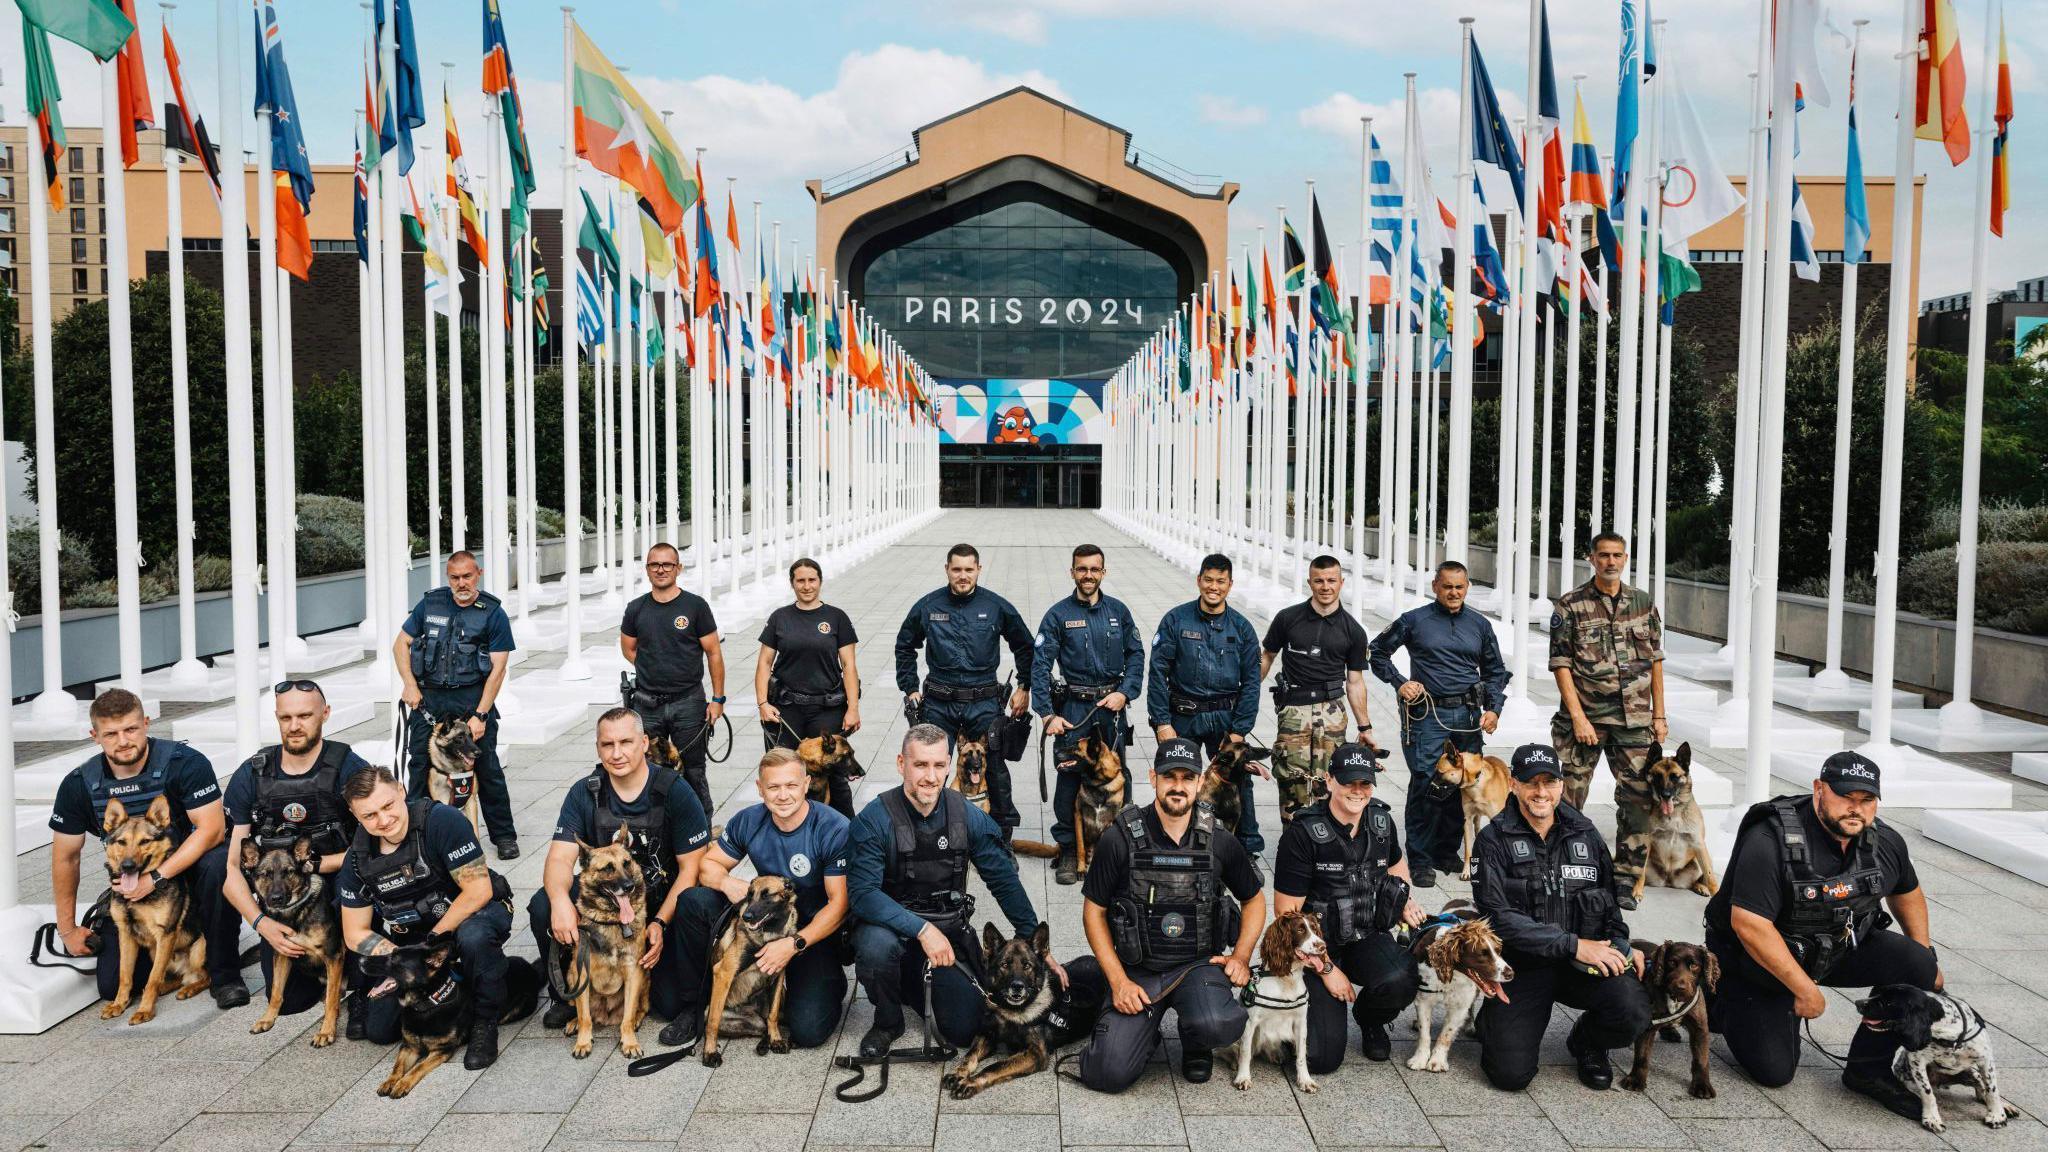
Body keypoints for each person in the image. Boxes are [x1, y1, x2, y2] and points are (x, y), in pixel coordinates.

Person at [1705, 752, 1939, 1119]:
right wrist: (1804, 989)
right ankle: (1718, 994)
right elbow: (1749, 925)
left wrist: (1924, 953)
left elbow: (1906, 891)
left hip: (1835, 948)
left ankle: (1868, 1071)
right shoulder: (1769, 839)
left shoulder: (1884, 841)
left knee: (1918, 965)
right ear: (1818, 790)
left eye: (1866, 800)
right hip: (1758, 959)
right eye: (1845, 797)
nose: (1856, 809)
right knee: (1774, 1071)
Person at [1071, 737, 1264, 1092]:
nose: (1178, 786)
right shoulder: (1120, 838)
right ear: (1153, 778)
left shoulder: (1219, 839)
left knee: (1219, 1024)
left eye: (1187, 778)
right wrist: (1118, 982)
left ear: (1199, 781)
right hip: (1138, 970)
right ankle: (1143, 1033)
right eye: (1169, 777)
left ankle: (1196, 1041)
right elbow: (1093, 912)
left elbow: (1254, 899)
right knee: (1105, 1074)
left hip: (1198, 964)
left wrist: (1241, 955)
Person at [847, 723, 1044, 1057]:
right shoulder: (873, 820)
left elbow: (1003, 880)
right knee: (875, 945)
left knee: (965, 1030)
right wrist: (922, 930)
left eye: (939, 765)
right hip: (892, 929)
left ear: (949, 765)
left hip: (946, 934)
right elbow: (863, 894)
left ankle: (910, 982)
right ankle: (888, 1020)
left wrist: (1037, 948)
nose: (930, 776)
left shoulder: (966, 815)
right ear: (901, 764)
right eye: (920, 765)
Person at [47, 689, 245, 1008]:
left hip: (192, 870)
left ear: (147, 724)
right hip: (132, 879)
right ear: (94, 735)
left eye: (131, 729)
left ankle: (225, 974)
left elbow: (212, 830)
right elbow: (66, 857)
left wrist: (156, 878)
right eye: (111, 733)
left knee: (218, 863)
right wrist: (67, 929)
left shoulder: (185, 763)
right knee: (112, 987)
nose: (123, 740)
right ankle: (163, 965)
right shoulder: (79, 784)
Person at [1471, 744, 1650, 1092]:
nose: (1541, 792)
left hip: (1583, 964)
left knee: (1634, 1010)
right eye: (1531, 782)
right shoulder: (1492, 839)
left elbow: (1610, 904)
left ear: (1561, 786)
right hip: (1523, 966)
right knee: (1510, 1075)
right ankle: (1493, 1020)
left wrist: (1622, 947)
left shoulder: (1585, 834)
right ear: (1513, 784)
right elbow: (1497, 917)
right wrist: (1572, 944)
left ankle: (1587, 1042)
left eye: (1549, 782)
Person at [532, 707, 711, 1033]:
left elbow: (692, 870)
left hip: (660, 904)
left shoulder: (675, 790)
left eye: (626, 742)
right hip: (606, 903)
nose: (616, 753)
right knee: (543, 902)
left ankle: (690, 997)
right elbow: (559, 859)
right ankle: (567, 996)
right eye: (607, 745)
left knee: (666, 1001)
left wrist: (659, 922)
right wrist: (560, 903)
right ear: (598, 748)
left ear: (644, 743)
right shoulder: (584, 792)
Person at [665, 748, 853, 1051]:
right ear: (760, 788)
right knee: (693, 900)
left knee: (808, 1031)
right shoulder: (749, 820)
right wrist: (728, 883)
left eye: (791, 786)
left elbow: (839, 905)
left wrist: (793, 945)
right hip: (761, 919)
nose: (783, 795)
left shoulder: (833, 828)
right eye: (773, 787)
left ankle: (825, 983)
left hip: (810, 933)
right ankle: (694, 1005)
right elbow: (706, 866)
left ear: (806, 784)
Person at [220, 680, 373, 1035]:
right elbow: (231, 868)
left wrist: (319, 865)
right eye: (286, 717)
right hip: (283, 885)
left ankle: (363, 988)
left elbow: (380, 840)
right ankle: (227, 970)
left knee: (362, 883)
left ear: (325, 714)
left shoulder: (347, 766)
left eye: (305, 715)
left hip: (342, 877)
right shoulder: (252, 773)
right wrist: (262, 924)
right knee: (292, 1002)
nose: (294, 725)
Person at [338, 766, 517, 1069]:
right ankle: (467, 982)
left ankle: (484, 1022)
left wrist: (430, 944)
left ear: (401, 792)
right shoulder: (357, 857)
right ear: (356, 817)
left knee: (474, 937)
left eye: (388, 806)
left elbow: (478, 890)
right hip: (413, 943)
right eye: (369, 816)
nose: (383, 820)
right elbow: (354, 932)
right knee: (380, 1031)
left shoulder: (441, 821)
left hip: (470, 916)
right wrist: (399, 960)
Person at [1272, 743, 1425, 1072]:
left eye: (1364, 784)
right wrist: (1327, 969)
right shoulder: (1302, 834)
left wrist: (1404, 899)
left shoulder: (1382, 821)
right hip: (1315, 945)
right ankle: (1294, 1017)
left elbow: (1396, 862)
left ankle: (1370, 1018)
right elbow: (1286, 915)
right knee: (1320, 1060)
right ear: (1329, 781)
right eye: (1348, 782)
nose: (1357, 791)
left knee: (1402, 977)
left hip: (1365, 933)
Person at [1369, 561, 1509, 887]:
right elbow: (1376, 651)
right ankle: (1419, 859)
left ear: (1468, 587)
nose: (1453, 593)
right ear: (1435, 586)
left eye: (1459, 587)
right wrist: (1399, 682)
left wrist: (1495, 709)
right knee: (1426, 784)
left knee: (1463, 783)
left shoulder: (1479, 624)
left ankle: (1446, 851)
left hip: (1468, 716)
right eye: (1447, 586)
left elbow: (1495, 672)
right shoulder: (1414, 621)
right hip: (1427, 715)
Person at [1549, 532, 1667, 910]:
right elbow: (1561, 664)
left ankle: (1625, 879)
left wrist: (1659, 715)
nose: (1611, 562)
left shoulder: (1644, 603)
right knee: (1567, 798)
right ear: (1592, 558)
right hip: (1586, 720)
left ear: (1626, 558)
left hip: (1634, 721)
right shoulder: (1570, 605)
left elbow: (1656, 662)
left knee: (1637, 799)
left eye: (1617, 555)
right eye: (1603, 555)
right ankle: (1565, 871)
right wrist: (1579, 717)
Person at [893, 544, 1035, 836]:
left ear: (978, 570)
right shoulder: (928, 606)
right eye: (956, 569)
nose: (962, 576)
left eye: (969, 569)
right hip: (938, 702)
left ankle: (1001, 837)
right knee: (928, 765)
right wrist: (909, 688)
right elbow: (905, 645)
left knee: (994, 767)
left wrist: (1024, 685)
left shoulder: (995, 606)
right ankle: (924, 833)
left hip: (983, 700)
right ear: (947, 569)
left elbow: (1025, 645)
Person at [1031, 543, 1144, 885]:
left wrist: (1125, 693)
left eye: (1095, 569)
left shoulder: (1118, 612)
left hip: (1111, 709)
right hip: (1075, 708)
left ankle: (1116, 847)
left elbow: (1136, 655)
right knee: (1068, 779)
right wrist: (1048, 714)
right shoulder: (1058, 615)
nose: (1088, 575)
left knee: (1115, 777)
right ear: (1072, 572)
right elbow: (1039, 665)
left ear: (1103, 572)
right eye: (1082, 569)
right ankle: (1068, 849)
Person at [395, 550, 519, 859]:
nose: (461, 583)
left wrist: (481, 714)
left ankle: (504, 836)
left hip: (470, 698)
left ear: (479, 573)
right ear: (448, 577)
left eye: (467, 576)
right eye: (455, 577)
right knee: (420, 765)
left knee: (487, 766)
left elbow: (499, 668)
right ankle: (417, 834)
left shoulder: (492, 613)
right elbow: (400, 644)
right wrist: (410, 684)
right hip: (431, 699)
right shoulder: (431, 604)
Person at [1147, 553, 1264, 854]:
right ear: (1199, 580)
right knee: (1178, 777)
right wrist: (1162, 722)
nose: (1214, 587)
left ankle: (1245, 849)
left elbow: (1252, 682)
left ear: (1230, 585)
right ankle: (1173, 841)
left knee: (1238, 783)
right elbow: (1158, 672)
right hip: (1183, 716)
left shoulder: (1242, 628)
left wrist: (1239, 730)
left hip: (1225, 720)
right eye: (1208, 580)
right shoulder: (1175, 620)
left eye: (1221, 582)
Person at [1259, 555, 1378, 826]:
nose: (1325, 586)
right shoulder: (1287, 619)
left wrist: (1365, 728)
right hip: (1293, 711)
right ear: (1310, 583)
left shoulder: (1354, 631)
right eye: (1319, 581)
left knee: (1330, 780)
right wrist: (1246, 698)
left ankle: (1325, 843)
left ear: (1341, 583)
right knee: (1292, 779)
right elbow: (1266, 657)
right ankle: (1293, 841)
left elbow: (1355, 681)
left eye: (1331, 581)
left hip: (1332, 712)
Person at [621, 542, 727, 817]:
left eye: (667, 564)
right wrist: (654, 666)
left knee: (693, 769)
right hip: (648, 704)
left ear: (678, 568)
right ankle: (656, 824)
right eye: (654, 564)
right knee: (647, 767)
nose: (661, 569)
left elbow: (714, 653)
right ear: (647, 569)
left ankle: (701, 824)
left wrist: (717, 699)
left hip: (688, 702)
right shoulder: (636, 608)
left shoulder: (695, 606)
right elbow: (628, 648)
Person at [756, 557, 862, 816]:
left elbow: (849, 666)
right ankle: (784, 824)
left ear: (820, 581)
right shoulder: (780, 618)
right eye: (800, 580)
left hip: (827, 709)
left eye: (811, 580)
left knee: (836, 776)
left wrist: (853, 708)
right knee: (782, 770)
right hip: (787, 708)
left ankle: (846, 829)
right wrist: (762, 703)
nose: (806, 586)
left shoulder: (836, 618)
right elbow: (764, 663)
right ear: (792, 584)